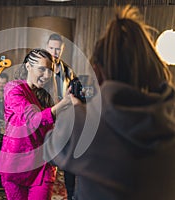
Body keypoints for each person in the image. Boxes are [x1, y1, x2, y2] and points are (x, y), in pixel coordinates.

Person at [44, 5, 175, 200]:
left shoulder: (80, 125)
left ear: (98, 71)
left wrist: (78, 111)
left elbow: (48, 149)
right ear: (154, 67)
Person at [0, 48, 75, 200]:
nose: (46, 75)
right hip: (15, 164)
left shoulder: (48, 96)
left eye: (50, 70)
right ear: (28, 67)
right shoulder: (13, 88)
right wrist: (62, 105)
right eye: (42, 69)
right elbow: (32, 120)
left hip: (42, 166)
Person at [46, 33, 76, 200]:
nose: (54, 52)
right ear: (46, 47)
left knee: (70, 161)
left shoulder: (68, 71)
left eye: (58, 49)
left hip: (63, 121)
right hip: (45, 118)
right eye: (51, 48)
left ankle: (71, 194)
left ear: (62, 50)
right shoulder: (41, 68)